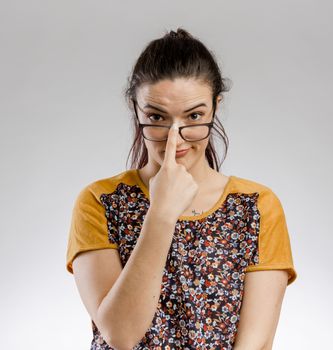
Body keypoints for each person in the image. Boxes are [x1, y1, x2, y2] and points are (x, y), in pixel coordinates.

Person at [66, 28, 297, 350]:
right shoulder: (101, 201)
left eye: (194, 116)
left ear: (216, 107)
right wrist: (161, 213)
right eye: (157, 116)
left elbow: (255, 343)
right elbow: (120, 334)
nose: (175, 136)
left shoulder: (254, 205)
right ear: (135, 109)